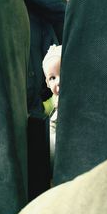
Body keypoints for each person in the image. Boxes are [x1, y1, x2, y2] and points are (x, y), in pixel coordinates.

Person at [42, 44, 62, 172]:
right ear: (47, 83)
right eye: (52, 78)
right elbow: (46, 109)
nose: (58, 81)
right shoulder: (52, 101)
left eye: (63, 73)